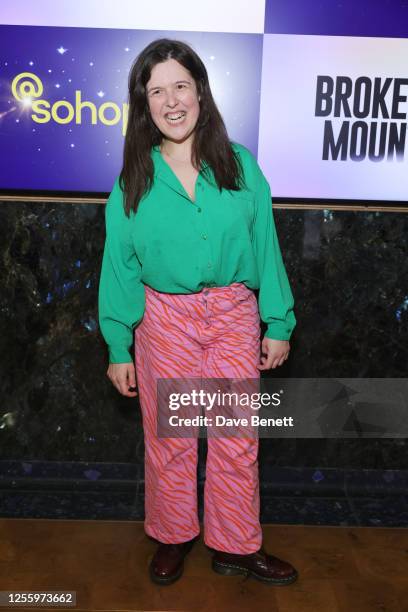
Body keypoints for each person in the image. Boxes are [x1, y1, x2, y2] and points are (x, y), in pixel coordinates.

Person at [98, 37, 298, 587]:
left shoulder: (240, 167)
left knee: (237, 439)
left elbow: (267, 249)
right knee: (171, 440)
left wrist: (277, 321)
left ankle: (236, 545)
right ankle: (173, 536)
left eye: (180, 86)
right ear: (145, 106)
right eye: (156, 91)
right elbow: (119, 267)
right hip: (164, 320)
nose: (171, 101)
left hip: (234, 313)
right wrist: (118, 345)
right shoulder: (133, 182)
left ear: (201, 94)